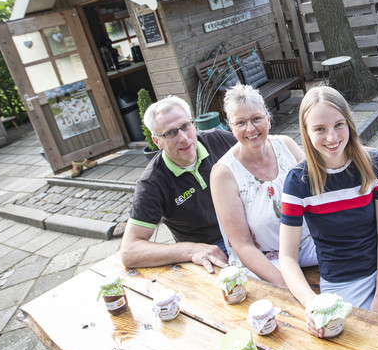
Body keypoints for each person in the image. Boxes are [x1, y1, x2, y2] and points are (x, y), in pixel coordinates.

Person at [279, 86, 378, 337]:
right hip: (342, 284)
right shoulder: (297, 182)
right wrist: (311, 304)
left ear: (349, 123)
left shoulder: (376, 164)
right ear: (306, 132)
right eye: (320, 129)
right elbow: (287, 257)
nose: (332, 137)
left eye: (339, 125)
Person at [210, 84, 317, 286]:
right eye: (240, 123)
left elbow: (317, 195)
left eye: (256, 119)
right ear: (231, 128)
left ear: (268, 119)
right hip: (267, 261)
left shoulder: (287, 145)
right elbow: (242, 245)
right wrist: (286, 285)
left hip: (308, 244)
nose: (250, 129)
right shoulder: (223, 174)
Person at [119, 95, 237, 273]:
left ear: (193, 124)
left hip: (248, 227)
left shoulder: (220, 141)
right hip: (211, 249)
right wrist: (192, 250)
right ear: (157, 141)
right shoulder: (152, 183)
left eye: (185, 126)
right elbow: (129, 251)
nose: (183, 138)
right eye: (171, 133)